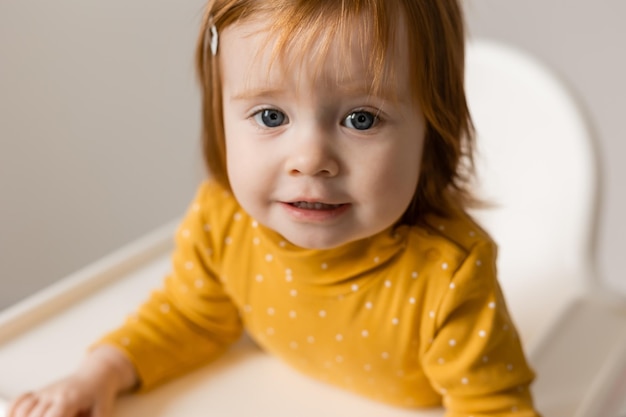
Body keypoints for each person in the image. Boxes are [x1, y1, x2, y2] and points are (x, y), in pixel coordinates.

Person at [8, 1, 542, 416]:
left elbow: (492, 405)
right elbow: (191, 318)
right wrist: (98, 374)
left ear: (435, 129)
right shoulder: (224, 222)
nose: (310, 160)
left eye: (361, 119)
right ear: (220, 112)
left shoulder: (447, 275)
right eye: (269, 116)